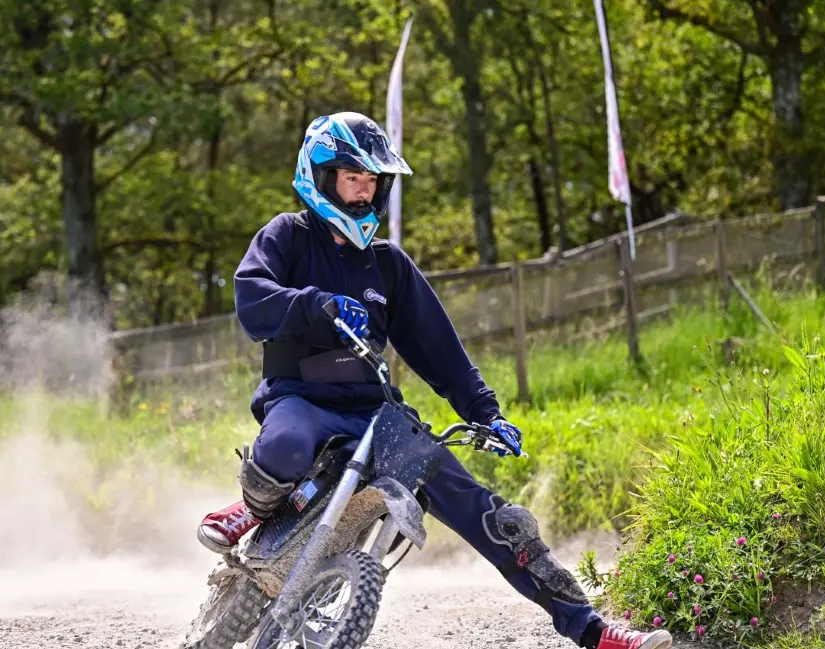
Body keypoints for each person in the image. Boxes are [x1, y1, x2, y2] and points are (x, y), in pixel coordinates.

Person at [195, 111, 673, 649]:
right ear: (322, 177)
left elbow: (440, 349)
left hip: (376, 417)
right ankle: (253, 508)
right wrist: (317, 306)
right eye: (353, 179)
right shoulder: (286, 236)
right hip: (302, 400)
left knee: (497, 517)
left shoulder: (388, 265)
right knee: (284, 443)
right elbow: (251, 300)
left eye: (373, 182)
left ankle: (591, 628)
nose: (363, 193)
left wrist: (485, 412)